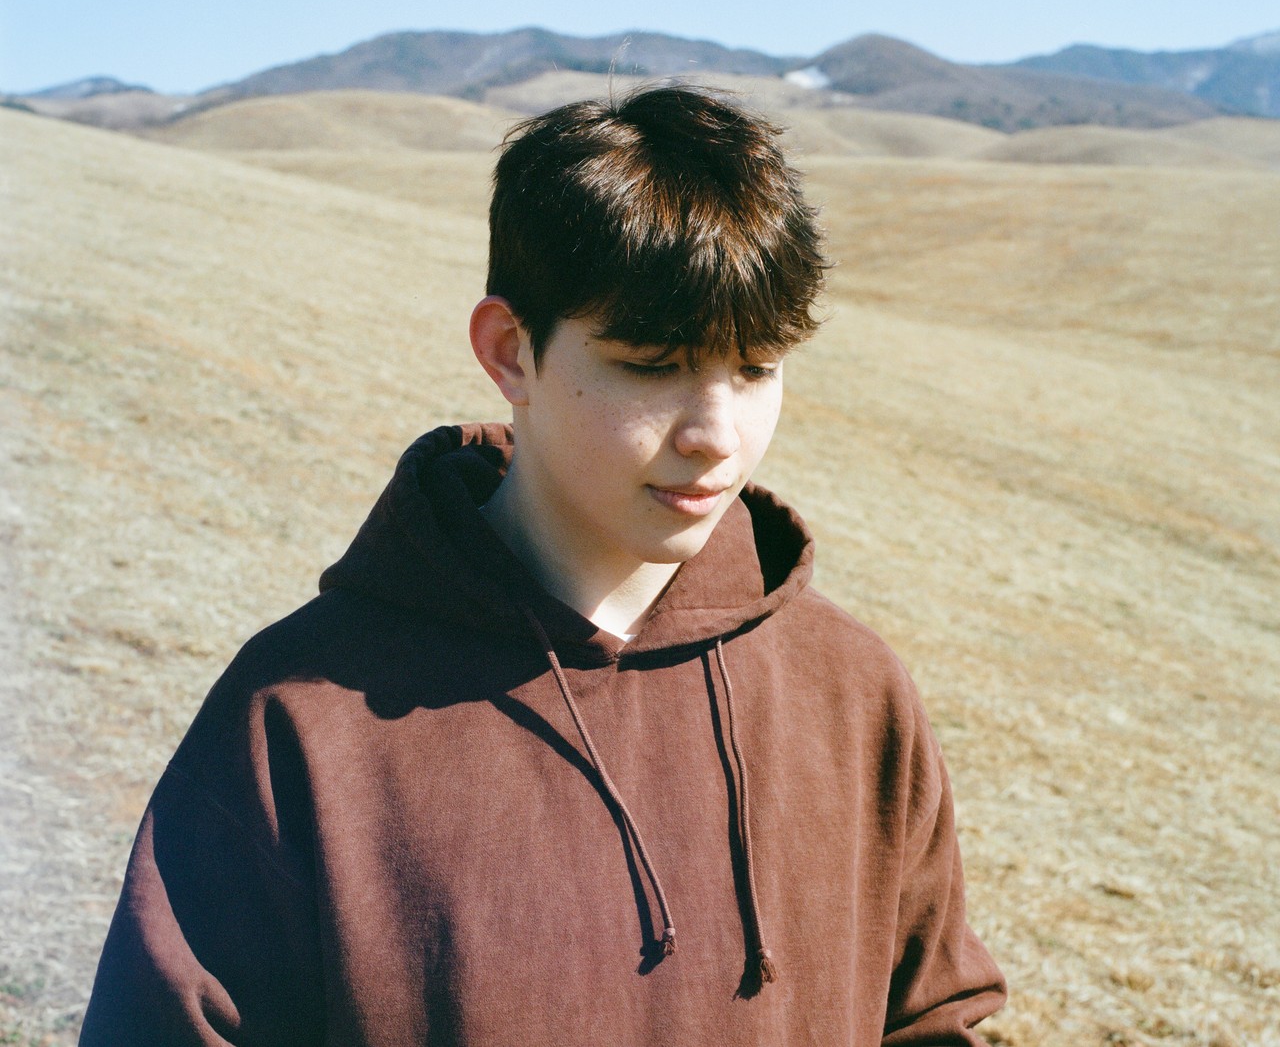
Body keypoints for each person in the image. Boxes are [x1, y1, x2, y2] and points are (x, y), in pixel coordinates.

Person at [81, 86, 1005, 1044]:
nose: (717, 435)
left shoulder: (853, 693)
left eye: (757, 366)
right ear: (510, 351)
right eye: (653, 364)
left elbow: (928, 1023)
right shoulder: (301, 716)